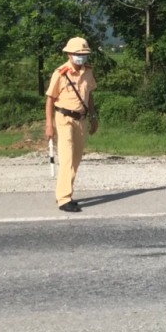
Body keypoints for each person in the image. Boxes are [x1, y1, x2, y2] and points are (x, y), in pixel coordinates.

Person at [45, 37, 98, 213]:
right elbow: (50, 99)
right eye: (77, 54)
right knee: (66, 158)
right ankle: (64, 198)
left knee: (76, 159)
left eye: (84, 54)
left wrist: (93, 116)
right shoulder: (60, 73)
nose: (81, 57)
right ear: (69, 54)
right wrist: (49, 125)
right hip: (64, 118)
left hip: (81, 119)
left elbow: (89, 95)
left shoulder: (88, 72)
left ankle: (67, 192)